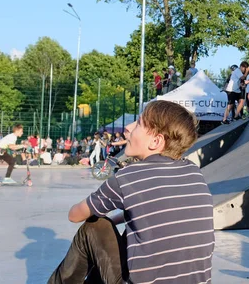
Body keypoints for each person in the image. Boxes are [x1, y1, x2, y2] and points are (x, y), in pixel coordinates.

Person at [48, 100, 214, 284]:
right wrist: (123, 216)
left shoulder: (128, 177)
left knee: (95, 226)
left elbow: (75, 215)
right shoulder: (193, 171)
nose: (128, 128)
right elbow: (155, 213)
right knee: (136, 232)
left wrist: (106, 215)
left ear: (156, 141)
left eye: (139, 124)